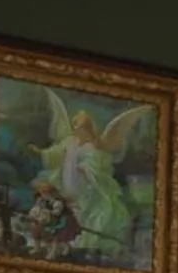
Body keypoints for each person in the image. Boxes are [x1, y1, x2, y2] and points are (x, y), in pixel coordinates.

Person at [28, 94, 149, 261]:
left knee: (87, 212)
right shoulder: (70, 141)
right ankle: (61, 240)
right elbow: (56, 152)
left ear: (86, 128)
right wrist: (41, 152)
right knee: (64, 207)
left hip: (85, 184)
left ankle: (82, 243)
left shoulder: (91, 147)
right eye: (75, 126)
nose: (75, 129)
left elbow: (97, 164)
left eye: (78, 126)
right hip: (68, 179)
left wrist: (85, 168)